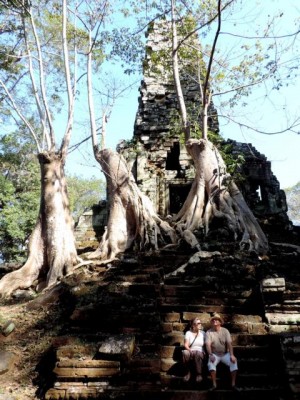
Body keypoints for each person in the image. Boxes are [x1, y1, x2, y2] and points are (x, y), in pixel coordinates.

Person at [205, 313, 239, 391]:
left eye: (216, 320)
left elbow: (229, 344)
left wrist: (232, 355)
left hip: (225, 354)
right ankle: (214, 384)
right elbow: (207, 345)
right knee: (210, 362)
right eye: (213, 320)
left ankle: (233, 384)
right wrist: (210, 354)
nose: (214, 321)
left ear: (220, 322)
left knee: (234, 361)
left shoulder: (225, 331)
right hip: (215, 354)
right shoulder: (208, 332)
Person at [182, 317, 206, 383]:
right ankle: (188, 372)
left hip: (200, 351)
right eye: (198, 323)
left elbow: (206, 344)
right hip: (191, 350)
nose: (200, 324)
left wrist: (204, 351)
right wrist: (189, 350)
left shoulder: (203, 333)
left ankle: (199, 374)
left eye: (200, 323)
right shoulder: (188, 333)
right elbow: (186, 345)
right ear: (193, 325)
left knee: (198, 353)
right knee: (185, 353)